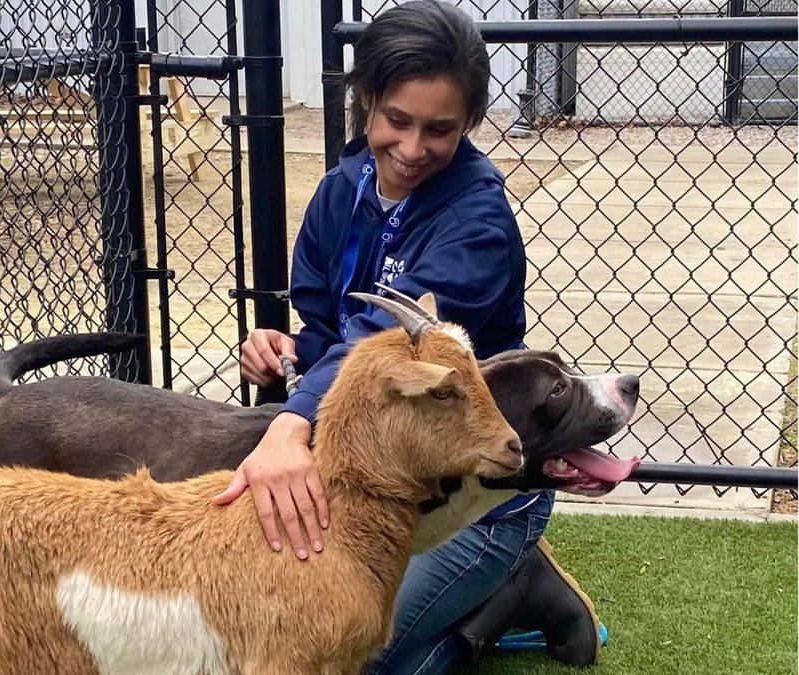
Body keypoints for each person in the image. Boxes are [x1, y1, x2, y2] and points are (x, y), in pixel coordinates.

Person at [212, 1, 603, 672]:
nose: (413, 148)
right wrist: (286, 352)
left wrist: (289, 424)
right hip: (376, 476)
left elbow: (384, 338)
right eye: (397, 120)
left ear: (468, 125)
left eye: (439, 130)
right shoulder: (341, 189)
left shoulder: (478, 223)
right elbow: (330, 328)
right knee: (267, 622)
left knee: (353, 655)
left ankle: (511, 585)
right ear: (366, 100)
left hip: (471, 496)